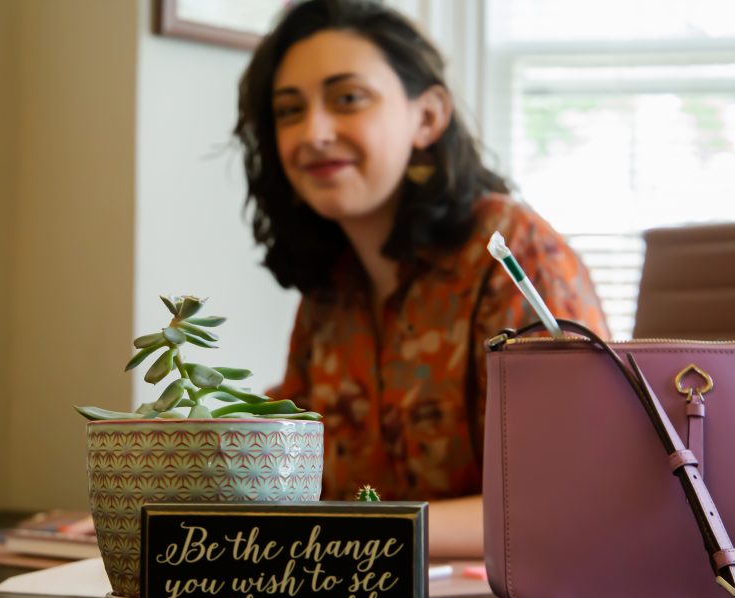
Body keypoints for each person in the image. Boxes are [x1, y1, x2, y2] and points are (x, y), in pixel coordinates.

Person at [235, 0, 609, 558]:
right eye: (289, 111)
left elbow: (569, 500)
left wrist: (341, 538)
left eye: (347, 99)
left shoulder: (512, 253)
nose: (312, 132)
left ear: (428, 116)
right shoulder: (330, 289)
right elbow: (291, 468)